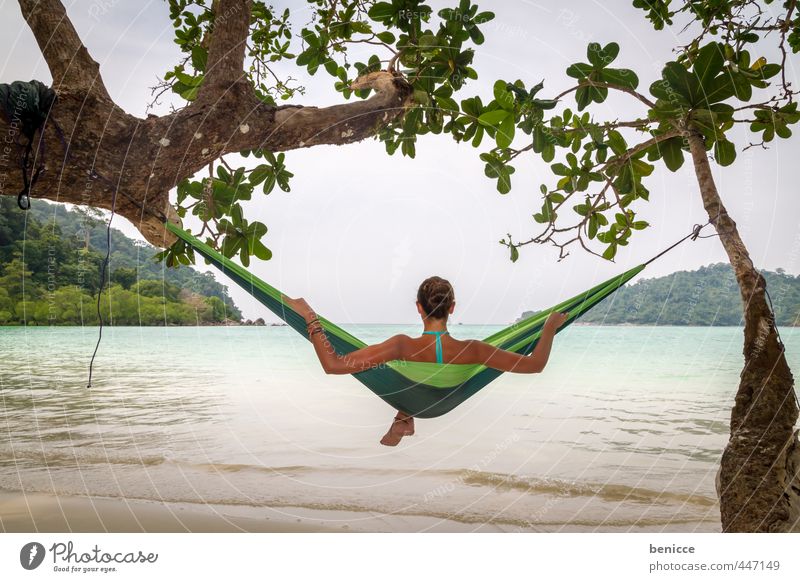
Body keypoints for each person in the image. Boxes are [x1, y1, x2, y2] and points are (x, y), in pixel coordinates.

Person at [283, 276, 568, 446]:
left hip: (412, 396)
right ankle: (404, 417)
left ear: (419, 307)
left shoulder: (402, 345)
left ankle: (404, 415)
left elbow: (333, 365)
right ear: (452, 308)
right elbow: (535, 365)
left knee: (393, 369)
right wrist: (548, 328)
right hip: (442, 405)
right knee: (416, 376)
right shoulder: (476, 351)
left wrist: (311, 317)